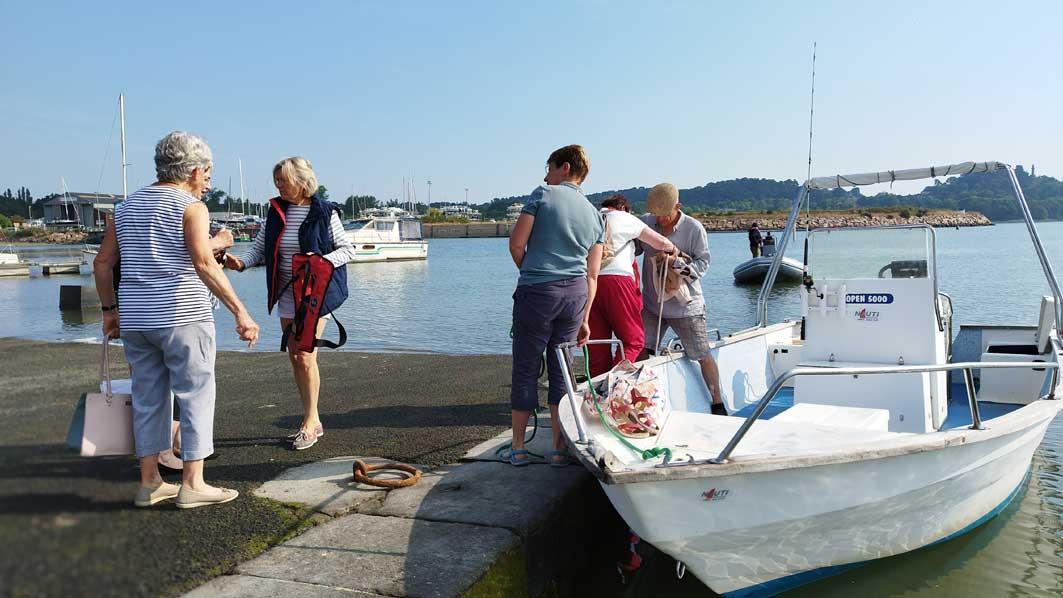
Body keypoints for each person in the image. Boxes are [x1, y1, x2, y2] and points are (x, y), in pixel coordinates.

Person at [93, 130, 260, 509]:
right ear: (194, 171)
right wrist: (241, 311)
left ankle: (149, 482)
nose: (208, 184)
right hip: (183, 314)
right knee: (195, 393)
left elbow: (102, 263)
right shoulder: (190, 207)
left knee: (149, 398)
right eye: (208, 175)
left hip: (137, 317)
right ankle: (193, 483)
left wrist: (109, 311)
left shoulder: (125, 208)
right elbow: (202, 262)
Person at [225, 157, 355, 451]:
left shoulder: (324, 211)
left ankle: (310, 423)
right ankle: (314, 417)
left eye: (283, 180)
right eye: (276, 182)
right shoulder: (276, 211)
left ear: (301, 181)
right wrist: (241, 263)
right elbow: (260, 249)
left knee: (306, 355)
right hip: (285, 292)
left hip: (314, 294)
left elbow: (348, 250)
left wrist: (320, 261)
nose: (278, 186)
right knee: (296, 356)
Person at [507, 144, 603, 467]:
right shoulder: (594, 214)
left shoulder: (543, 194)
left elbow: (517, 244)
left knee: (525, 368)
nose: (545, 174)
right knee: (562, 371)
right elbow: (593, 274)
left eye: (548, 167)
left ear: (564, 168)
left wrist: (533, 274)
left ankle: (518, 447)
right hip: (576, 295)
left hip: (537, 291)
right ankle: (559, 449)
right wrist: (586, 318)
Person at [638, 183, 726, 415]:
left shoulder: (693, 228)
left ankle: (717, 401)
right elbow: (631, 247)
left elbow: (703, 263)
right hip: (652, 304)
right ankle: (643, 400)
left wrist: (677, 264)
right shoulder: (645, 223)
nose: (661, 219)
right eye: (657, 214)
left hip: (686, 307)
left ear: (678, 206)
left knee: (701, 354)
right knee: (641, 348)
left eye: (665, 214)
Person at [587, 194, 677, 376]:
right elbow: (660, 242)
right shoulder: (625, 217)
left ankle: (596, 390)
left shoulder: (589, 218)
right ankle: (614, 380)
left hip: (588, 282)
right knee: (633, 340)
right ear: (623, 208)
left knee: (597, 344)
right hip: (618, 281)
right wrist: (674, 250)